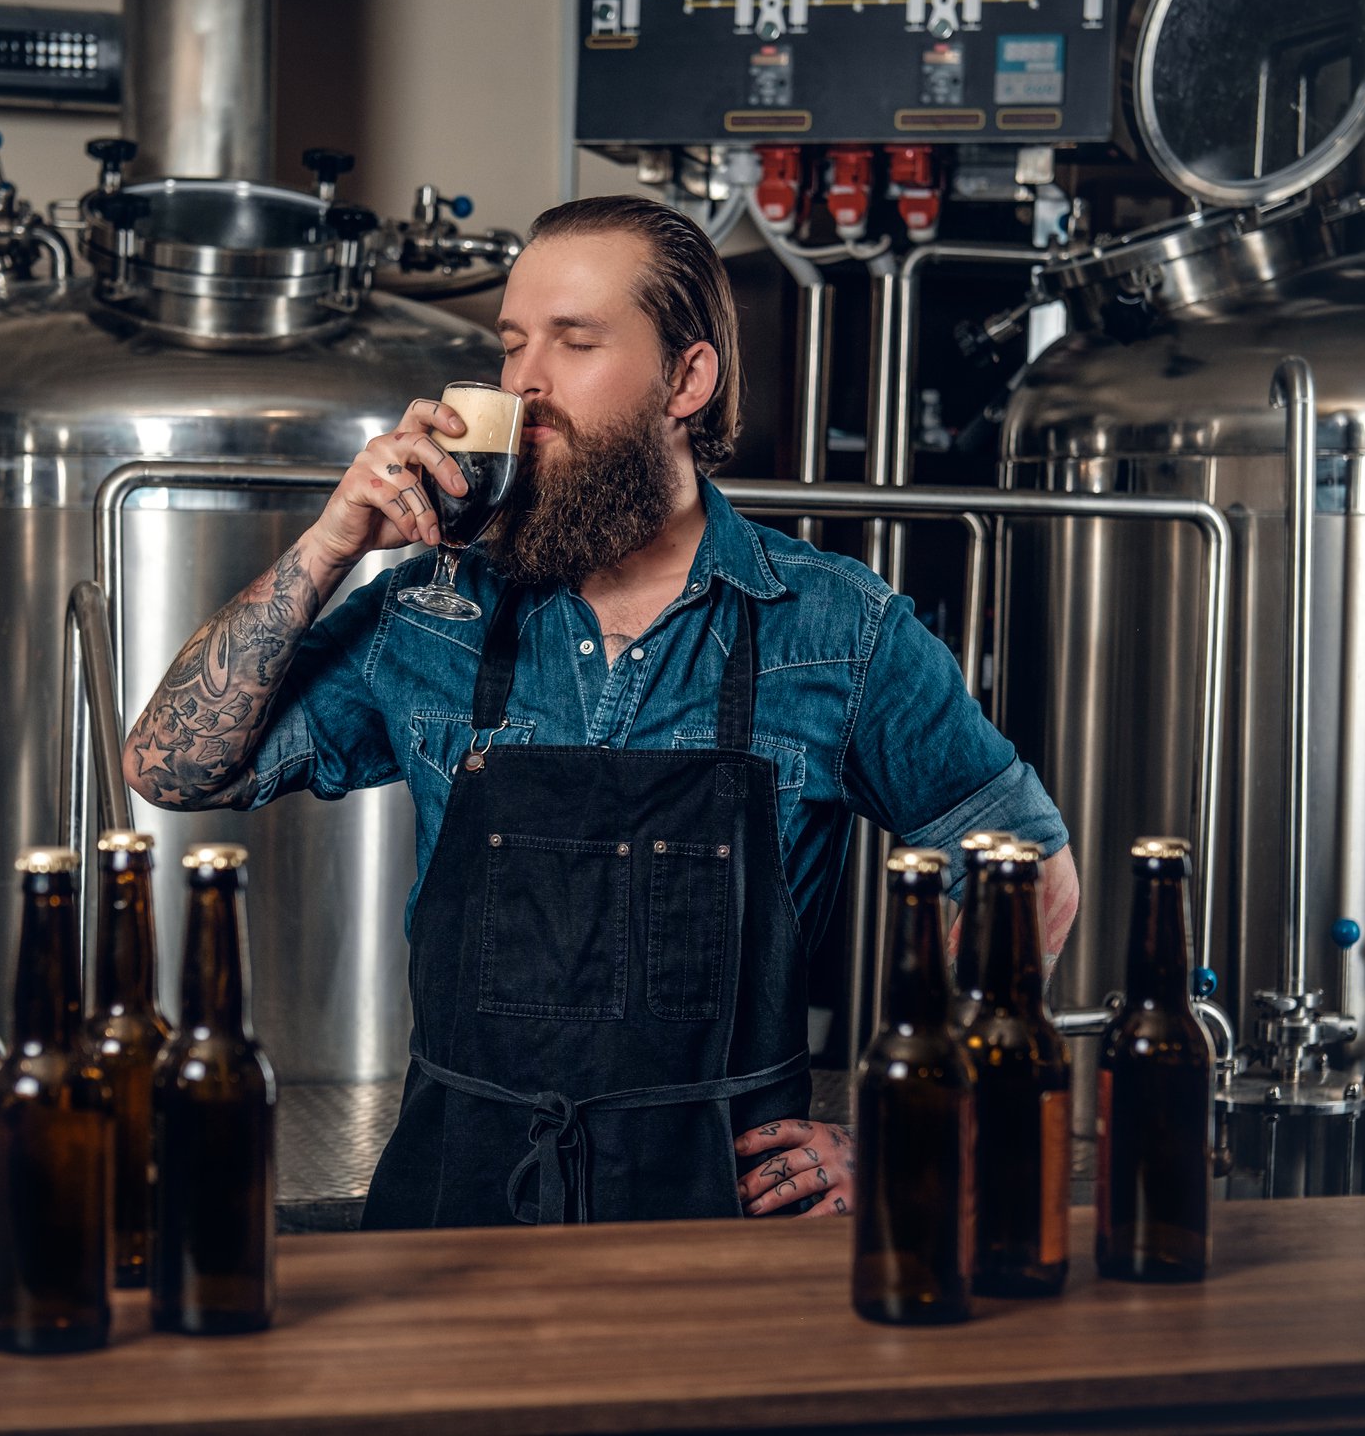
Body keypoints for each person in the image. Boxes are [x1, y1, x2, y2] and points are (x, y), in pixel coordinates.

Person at [123, 194, 1079, 1228]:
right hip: (457, 1204)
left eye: (573, 342)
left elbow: (1030, 877)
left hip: (718, 1225)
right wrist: (330, 542)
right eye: (511, 344)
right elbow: (173, 769)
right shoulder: (429, 614)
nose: (521, 383)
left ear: (686, 378)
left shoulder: (837, 628)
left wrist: (910, 1124)